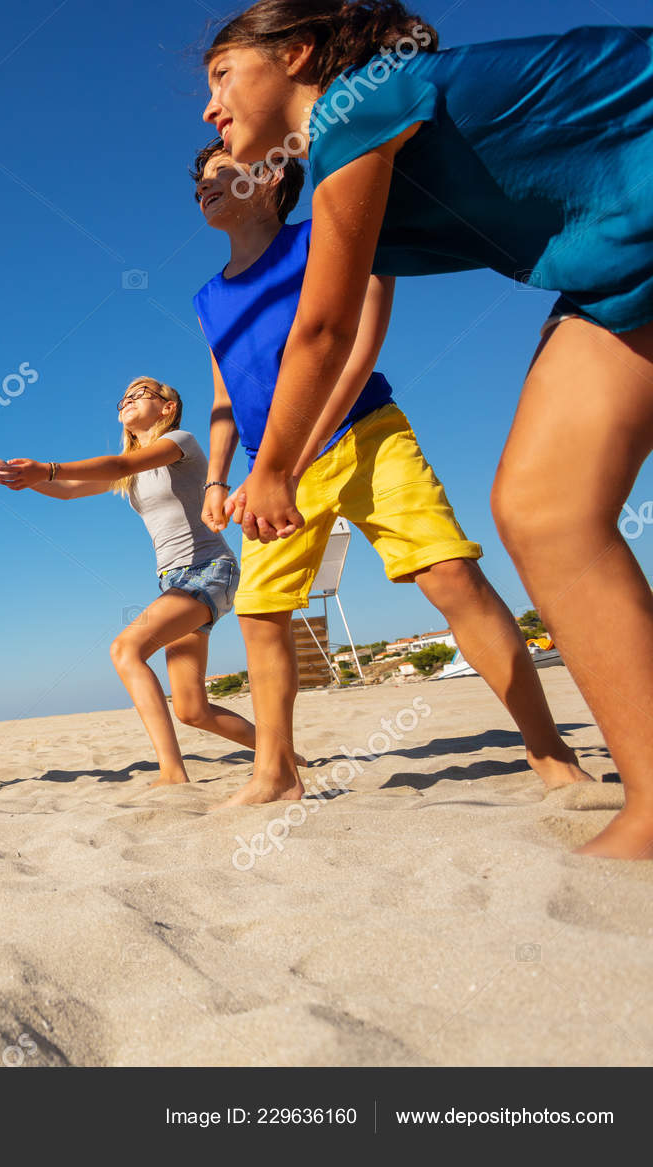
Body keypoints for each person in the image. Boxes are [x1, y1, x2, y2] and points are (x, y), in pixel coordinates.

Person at [199, 3, 651, 857]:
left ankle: (554, 750)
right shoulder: (338, 157)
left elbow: (328, 331)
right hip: (624, 268)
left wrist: (277, 466)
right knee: (544, 508)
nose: (210, 107)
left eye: (223, 75)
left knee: (508, 533)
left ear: (296, 55)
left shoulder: (359, 105)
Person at [191, 137, 591, 809]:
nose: (205, 184)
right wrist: (218, 480)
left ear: (270, 176)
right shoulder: (208, 298)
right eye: (199, 179)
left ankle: (549, 748)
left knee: (450, 574)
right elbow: (224, 398)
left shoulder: (327, 234)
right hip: (271, 473)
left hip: (366, 434)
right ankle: (276, 773)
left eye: (223, 170)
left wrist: (292, 458)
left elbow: (355, 347)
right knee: (260, 616)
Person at [0, 377, 265, 787]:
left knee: (126, 648)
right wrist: (18, 478)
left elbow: (120, 464)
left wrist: (47, 467)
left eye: (139, 393)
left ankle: (172, 773)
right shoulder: (132, 473)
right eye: (123, 398)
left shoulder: (181, 441)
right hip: (175, 581)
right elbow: (71, 490)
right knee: (192, 709)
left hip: (207, 569)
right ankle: (284, 755)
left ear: (167, 407)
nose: (126, 400)